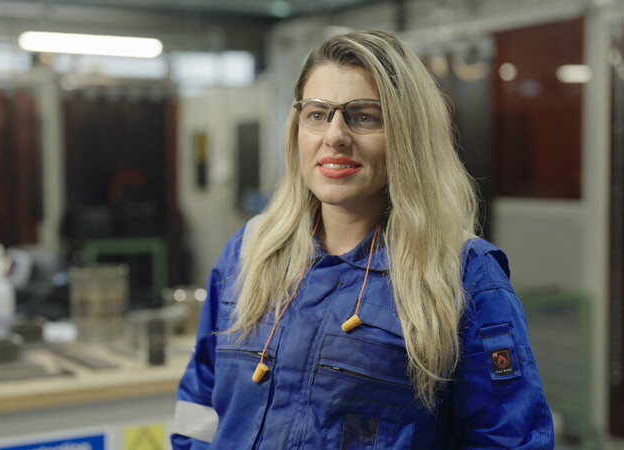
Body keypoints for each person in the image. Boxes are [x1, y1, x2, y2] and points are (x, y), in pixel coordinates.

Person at [171, 29, 554, 449]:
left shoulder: (463, 275)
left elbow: (508, 439)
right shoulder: (248, 251)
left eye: (364, 116)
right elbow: (198, 411)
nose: (334, 135)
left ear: (408, 136)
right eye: (317, 114)